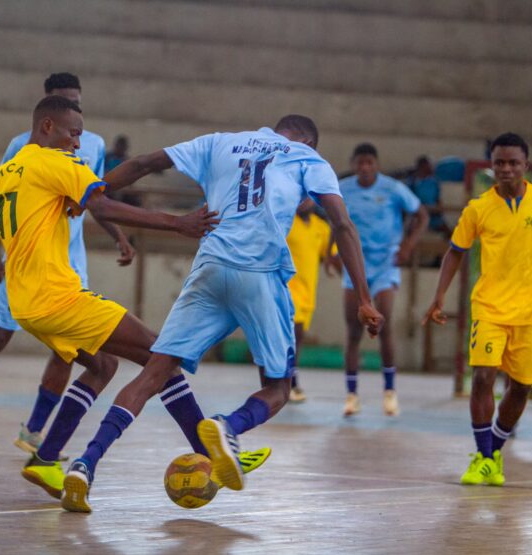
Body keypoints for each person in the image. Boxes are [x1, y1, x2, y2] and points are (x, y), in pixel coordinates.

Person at [0, 96, 268, 501]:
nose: (78, 144)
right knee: (161, 355)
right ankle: (210, 453)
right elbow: (100, 203)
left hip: (24, 306)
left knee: (102, 366)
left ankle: (46, 459)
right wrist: (177, 223)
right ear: (47, 127)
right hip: (59, 298)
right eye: (73, 133)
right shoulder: (56, 163)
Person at [59, 115, 384, 514]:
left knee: (154, 372)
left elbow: (145, 163)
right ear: (309, 144)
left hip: (210, 266)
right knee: (279, 389)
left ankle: (85, 463)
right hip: (260, 275)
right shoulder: (306, 159)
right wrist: (365, 298)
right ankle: (228, 427)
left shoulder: (221, 142)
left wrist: (95, 192)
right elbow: (343, 225)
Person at [0, 73, 135, 457]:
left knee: (66, 352)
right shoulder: (21, 146)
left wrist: (117, 235)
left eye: (77, 99)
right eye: (64, 100)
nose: (73, 108)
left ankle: (35, 431)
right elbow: (0, 199)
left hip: (69, 261)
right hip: (26, 260)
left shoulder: (90, 143)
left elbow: (93, 195)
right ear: (47, 112)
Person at [423, 133, 532, 485]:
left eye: (513, 162)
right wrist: (439, 295)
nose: (506, 169)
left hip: (531, 313)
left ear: (526, 165)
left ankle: (492, 452)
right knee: (482, 377)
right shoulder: (478, 208)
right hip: (489, 308)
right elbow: (455, 252)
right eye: (499, 163)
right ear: (491, 166)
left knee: (521, 387)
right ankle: (484, 456)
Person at [338, 143, 428, 417]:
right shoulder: (344, 188)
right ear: (354, 164)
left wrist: (408, 245)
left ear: (376, 165)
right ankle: (352, 395)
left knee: (384, 321)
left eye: (369, 162)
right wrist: (333, 250)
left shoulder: (392, 188)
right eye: (360, 163)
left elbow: (421, 214)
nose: (365, 167)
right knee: (353, 330)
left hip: (385, 263)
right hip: (355, 265)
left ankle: (390, 392)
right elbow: (338, 222)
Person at [285, 203, 339, 403]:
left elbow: (332, 253)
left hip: (309, 293)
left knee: (297, 338)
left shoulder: (321, 227)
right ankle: (291, 382)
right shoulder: (287, 222)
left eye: (307, 196)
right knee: (294, 335)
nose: (303, 201)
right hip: (287, 288)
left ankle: (285, 378)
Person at [408, 156, 451, 238]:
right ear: (421, 167)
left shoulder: (434, 182)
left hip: (433, 215)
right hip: (418, 215)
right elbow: (410, 200)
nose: (431, 168)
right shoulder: (413, 182)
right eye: (428, 166)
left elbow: (438, 198)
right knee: (411, 234)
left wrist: (439, 210)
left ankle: (452, 249)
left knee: (450, 233)